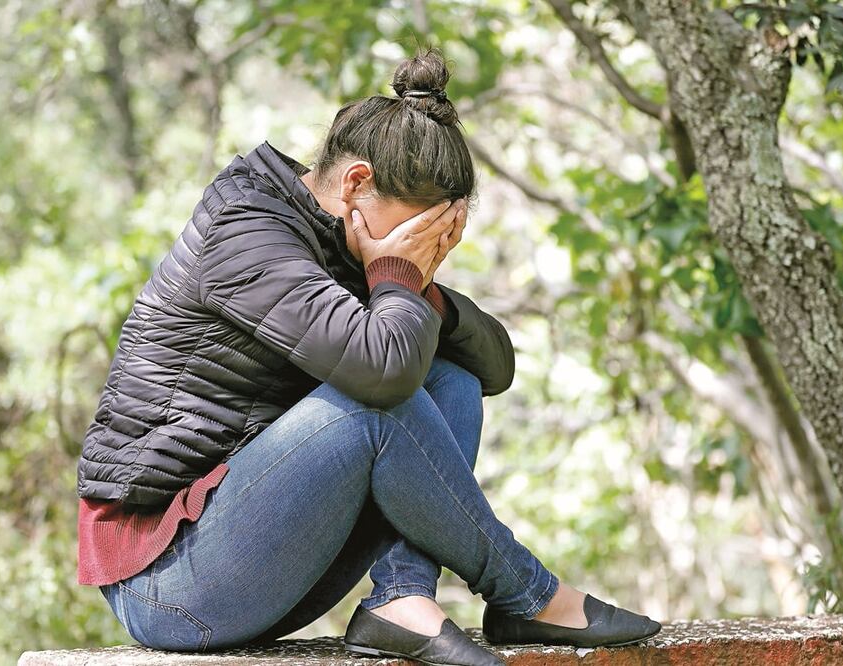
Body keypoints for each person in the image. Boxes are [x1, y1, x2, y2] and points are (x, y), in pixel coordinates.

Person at [75, 47, 662, 665]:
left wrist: (414, 286)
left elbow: (494, 370)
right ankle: (528, 595)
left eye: (439, 239)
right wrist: (395, 277)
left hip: (262, 554)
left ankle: (401, 599)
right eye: (415, 233)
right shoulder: (247, 233)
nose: (424, 250)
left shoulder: (346, 248)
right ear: (356, 183)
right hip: (167, 578)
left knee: (450, 380)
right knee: (376, 405)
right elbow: (382, 380)